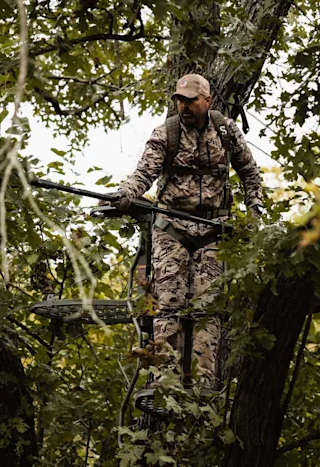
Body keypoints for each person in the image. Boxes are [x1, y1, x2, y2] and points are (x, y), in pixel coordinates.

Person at [110, 73, 264, 388]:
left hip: (212, 229)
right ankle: (163, 380)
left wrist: (254, 211)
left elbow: (249, 170)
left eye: (191, 100)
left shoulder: (226, 131)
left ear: (207, 100)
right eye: (179, 100)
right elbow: (145, 172)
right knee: (168, 301)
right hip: (172, 226)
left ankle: (204, 384)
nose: (184, 107)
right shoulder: (165, 132)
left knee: (208, 307)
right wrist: (127, 192)